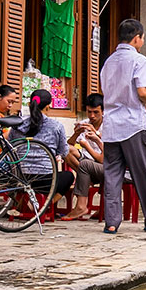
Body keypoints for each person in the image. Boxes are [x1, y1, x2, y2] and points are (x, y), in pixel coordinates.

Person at [99, 19, 146, 234]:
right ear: (137, 37)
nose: (143, 40)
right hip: (133, 123)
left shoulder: (108, 61)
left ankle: (111, 222)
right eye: (142, 37)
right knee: (143, 172)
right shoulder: (139, 60)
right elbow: (142, 92)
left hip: (111, 124)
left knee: (112, 174)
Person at [11, 89, 75, 199]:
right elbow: (63, 152)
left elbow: (11, 147)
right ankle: (46, 206)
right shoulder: (56, 126)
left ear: (29, 104)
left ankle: (31, 205)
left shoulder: (17, 125)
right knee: (69, 176)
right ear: (48, 107)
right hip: (46, 181)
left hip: (19, 178)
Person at [61, 93, 105, 221]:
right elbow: (67, 146)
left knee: (85, 165)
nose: (92, 116)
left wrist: (96, 135)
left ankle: (81, 202)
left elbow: (103, 158)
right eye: (89, 112)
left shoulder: (109, 124)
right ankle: (86, 178)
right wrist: (76, 134)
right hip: (87, 161)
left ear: (103, 111)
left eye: (96, 112)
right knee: (67, 150)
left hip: (102, 163)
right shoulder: (85, 123)